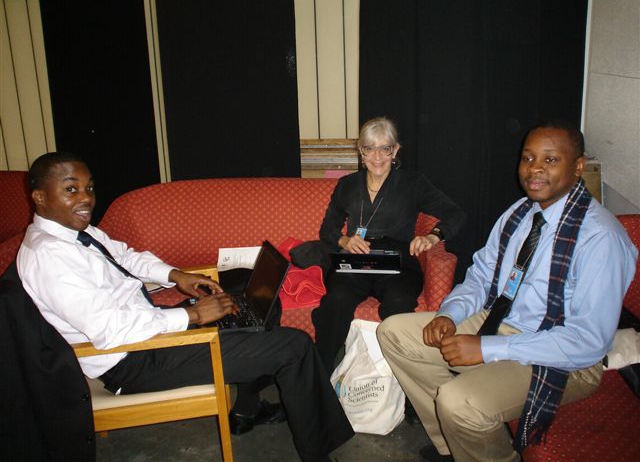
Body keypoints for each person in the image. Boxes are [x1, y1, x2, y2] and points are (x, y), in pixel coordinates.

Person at [17, 152, 354, 462]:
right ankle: (317, 453)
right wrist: (193, 315)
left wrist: (177, 275)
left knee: (252, 290)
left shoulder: (76, 233)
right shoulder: (49, 257)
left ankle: (247, 408)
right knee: (294, 346)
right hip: (135, 358)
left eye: (89, 188)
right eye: (71, 189)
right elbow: (110, 330)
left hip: (148, 329)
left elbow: (126, 257)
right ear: (39, 196)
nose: (86, 198)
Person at [377, 121, 638, 462]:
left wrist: (487, 348)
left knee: (458, 402)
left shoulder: (600, 239)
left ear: (578, 167)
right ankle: (455, 444)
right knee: (394, 333)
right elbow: (481, 276)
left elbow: (588, 342)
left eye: (550, 159)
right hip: (502, 321)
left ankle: (484, 444)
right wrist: (450, 314)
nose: (535, 169)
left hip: (563, 355)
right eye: (528, 158)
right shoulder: (521, 213)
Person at [312, 116, 465, 373]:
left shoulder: (413, 183)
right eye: (370, 148)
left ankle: (403, 381)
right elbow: (327, 230)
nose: (377, 157)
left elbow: (455, 213)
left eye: (385, 148)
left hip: (398, 261)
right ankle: (319, 378)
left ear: (395, 150)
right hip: (356, 260)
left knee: (398, 301)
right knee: (336, 300)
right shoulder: (347, 185)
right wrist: (345, 240)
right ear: (361, 151)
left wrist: (432, 236)